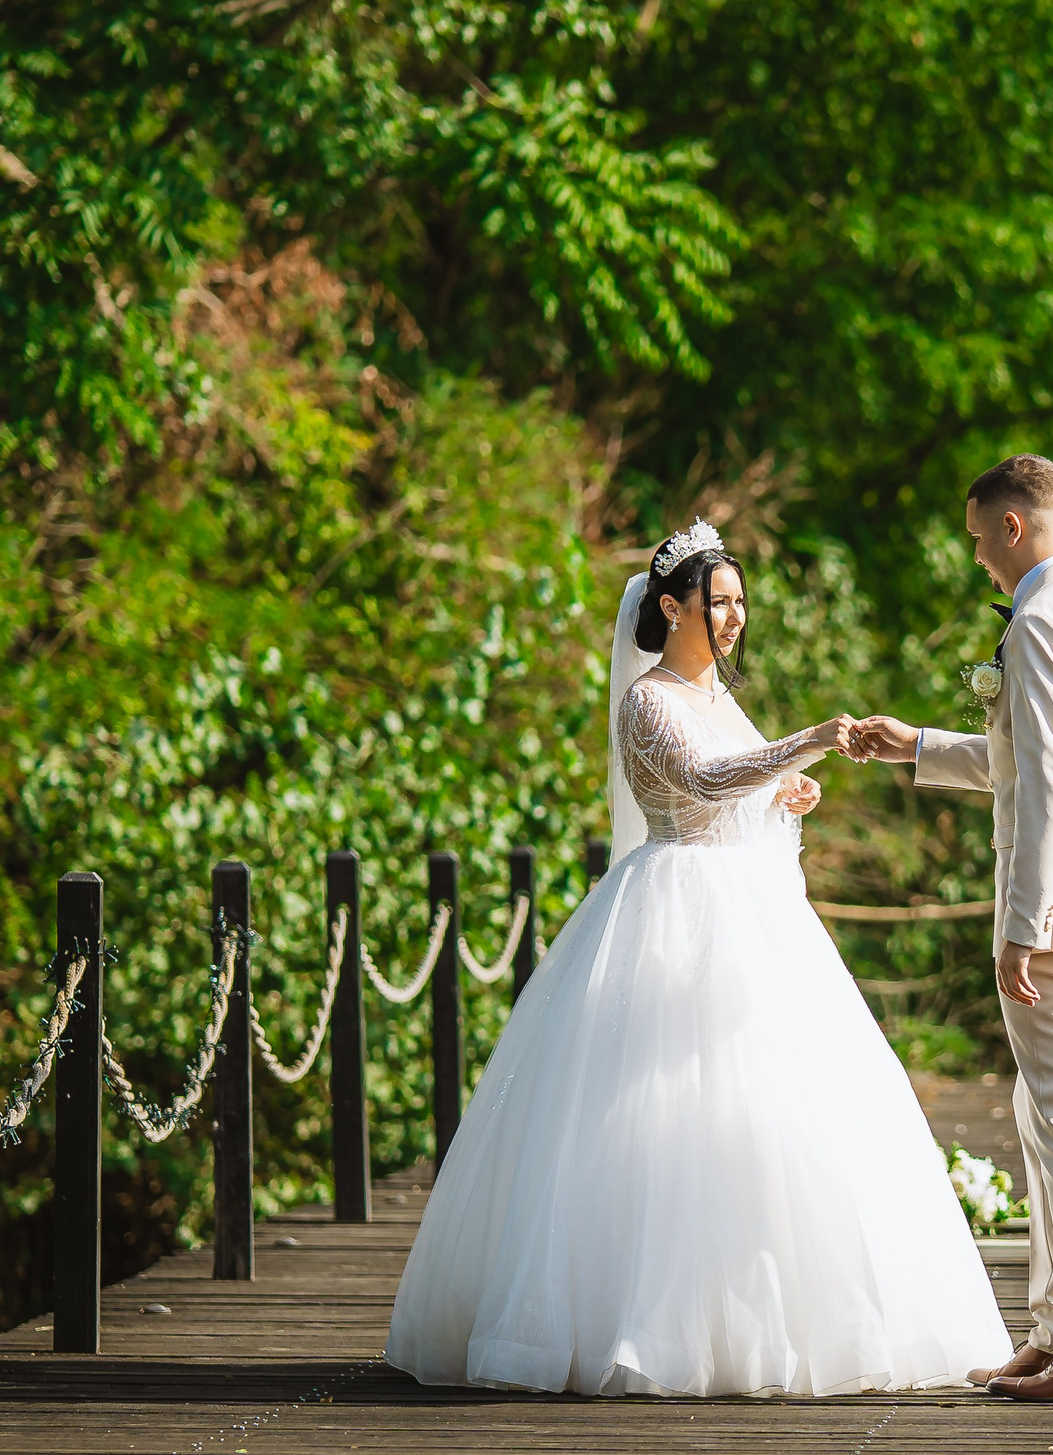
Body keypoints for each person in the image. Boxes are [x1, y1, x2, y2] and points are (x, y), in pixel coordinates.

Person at [383, 520, 1012, 1397]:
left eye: (740, 600)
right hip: (669, 911)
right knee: (654, 1107)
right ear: (670, 606)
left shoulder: (722, 700)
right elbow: (704, 783)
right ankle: (644, 1324)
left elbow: (741, 792)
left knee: (765, 1109)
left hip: (751, 917)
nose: (734, 616)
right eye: (719, 600)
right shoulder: (649, 699)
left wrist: (786, 794)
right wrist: (805, 743)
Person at [849, 454, 1053, 1404]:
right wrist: (915, 744)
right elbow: (1031, 762)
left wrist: (1022, 926)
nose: (980, 559)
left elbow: (1051, 790)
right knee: (1046, 1115)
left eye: (980, 537)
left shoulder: (1038, 620)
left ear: (1015, 526)